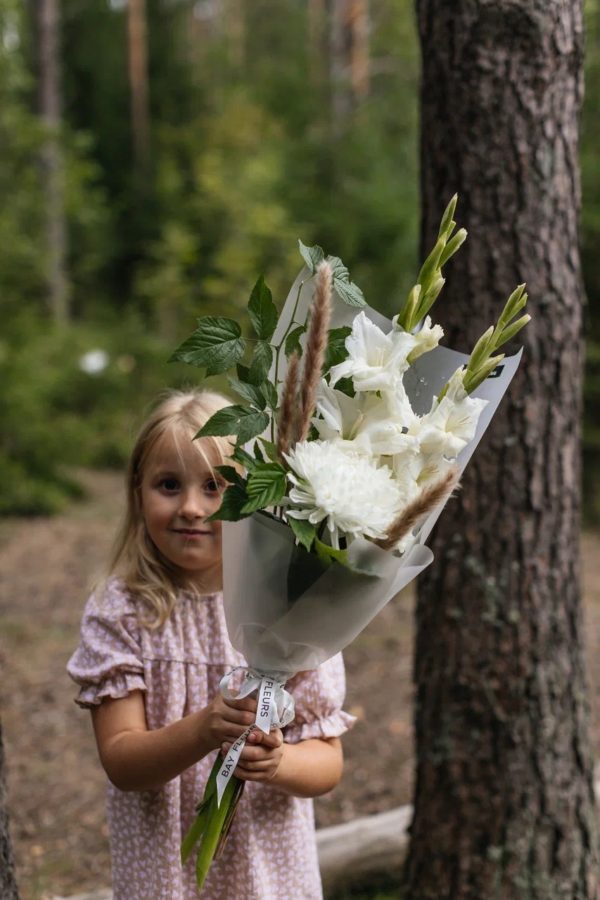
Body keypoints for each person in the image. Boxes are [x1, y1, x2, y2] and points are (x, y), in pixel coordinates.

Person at [67, 389, 355, 900]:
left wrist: (280, 763)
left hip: (269, 871)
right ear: (138, 492)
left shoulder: (291, 606)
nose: (192, 508)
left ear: (259, 496)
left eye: (216, 486)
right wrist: (203, 729)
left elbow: (328, 763)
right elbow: (122, 761)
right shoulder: (122, 609)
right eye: (169, 485)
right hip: (164, 872)